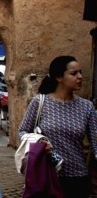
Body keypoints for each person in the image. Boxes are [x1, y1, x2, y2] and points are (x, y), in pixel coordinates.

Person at [18, 56, 97, 198]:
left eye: (80, 72)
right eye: (73, 73)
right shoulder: (40, 102)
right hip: (47, 175)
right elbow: (22, 131)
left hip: (78, 177)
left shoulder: (87, 107)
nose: (80, 77)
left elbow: (96, 142)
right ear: (59, 77)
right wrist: (38, 142)